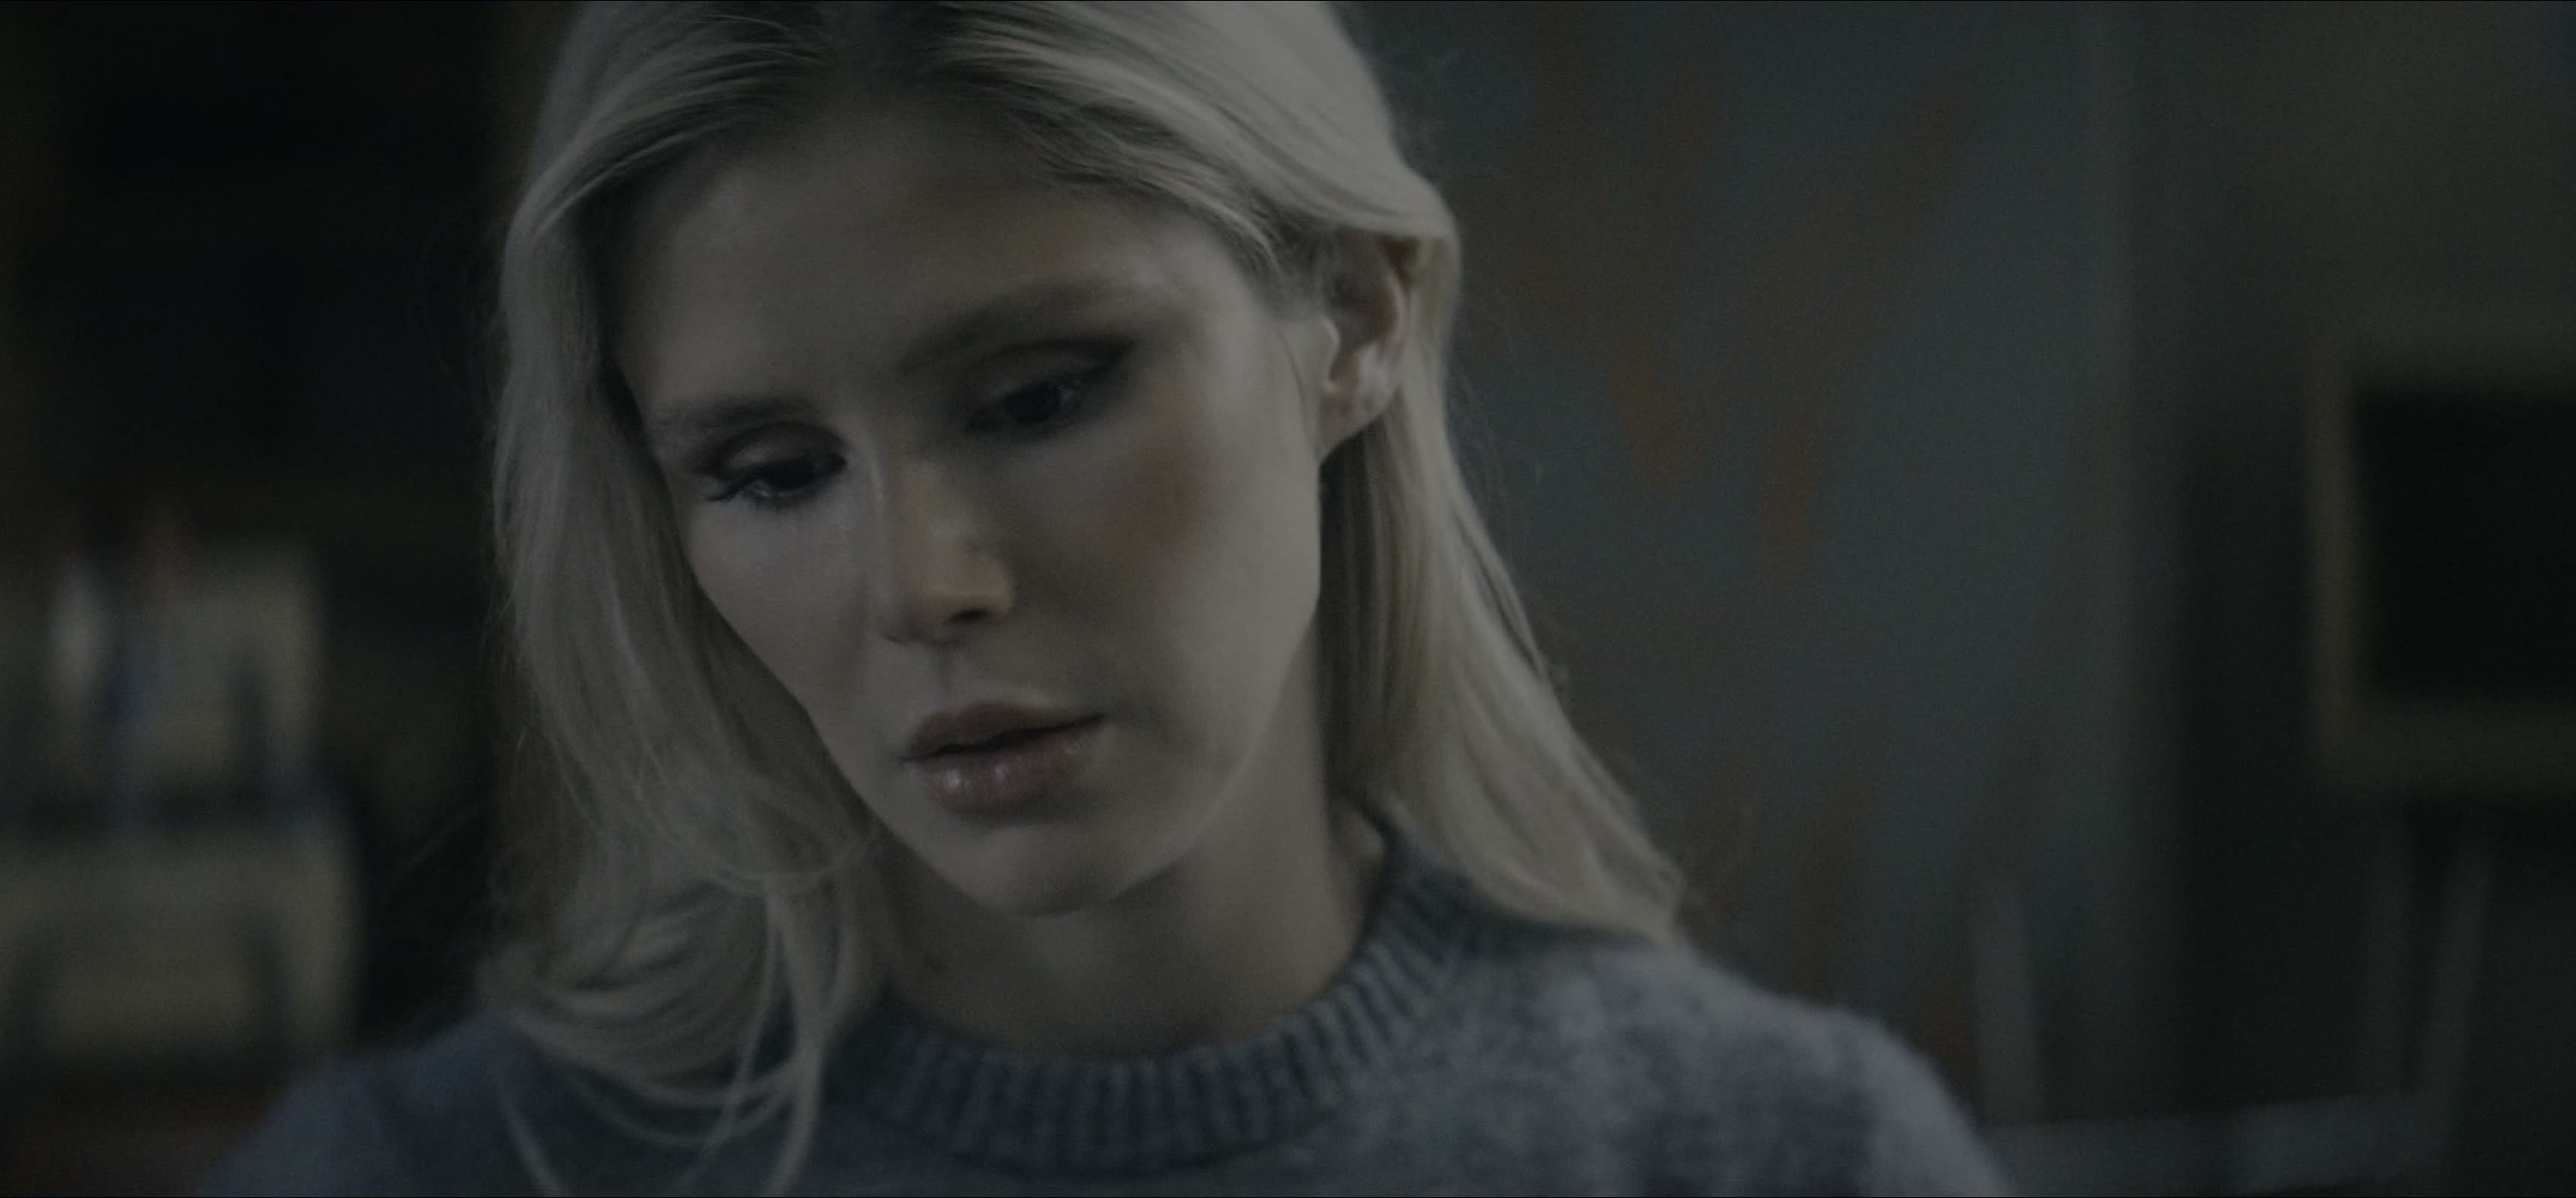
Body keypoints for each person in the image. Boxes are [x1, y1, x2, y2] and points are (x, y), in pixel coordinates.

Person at [204, 2, 2007, 1194]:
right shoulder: (433, 1174)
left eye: (1040, 395)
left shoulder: (1786, 1159)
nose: (920, 586)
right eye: (770, 470)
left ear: (1355, 317)